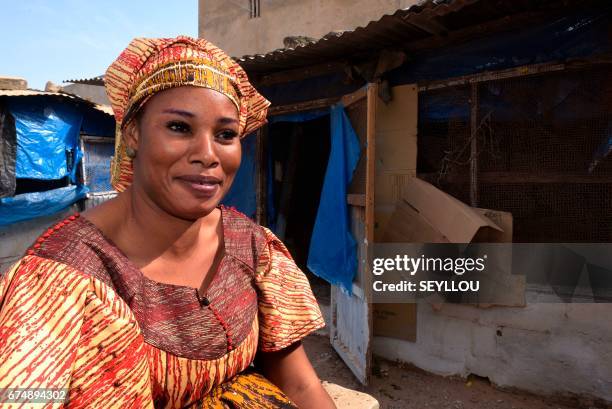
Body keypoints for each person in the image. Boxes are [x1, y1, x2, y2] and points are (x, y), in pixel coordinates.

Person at [0, 36, 336, 409]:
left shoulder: (249, 244)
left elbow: (300, 385)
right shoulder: (60, 277)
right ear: (133, 134)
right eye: (179, 127)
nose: (208, 155)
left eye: (225, 134)